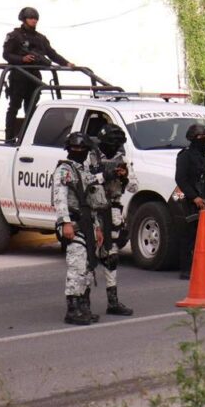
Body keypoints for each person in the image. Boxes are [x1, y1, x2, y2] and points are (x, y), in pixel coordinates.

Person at [52, 133, 105, 325]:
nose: (79, 151)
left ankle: (84, 306)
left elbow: (92, 201)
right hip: (73, 222)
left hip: (87, 223)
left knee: (88, 266)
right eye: (75, 148)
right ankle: (73, 310)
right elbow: (59, 198)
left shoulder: (84, 170)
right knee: (77, 266)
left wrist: (97, 227)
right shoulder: (64, 170)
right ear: (68, 149)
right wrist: (65, 222)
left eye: (82, 148)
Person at [86, 124, 137, 317]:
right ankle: (83, 301)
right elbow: (86, 180)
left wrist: (124, 177)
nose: (116, 147)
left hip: (113, 209)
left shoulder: (122, 159)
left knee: (111, 256)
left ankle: (113, 302)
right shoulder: (91, 157)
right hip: (92, 210)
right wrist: (106, 174)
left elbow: (134, 187)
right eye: (113, 143)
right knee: (88, 257)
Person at [2, 7, 74, 141]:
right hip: (19, 75)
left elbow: (52, 54)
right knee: (14, 107)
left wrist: (66, 63)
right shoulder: (14, 36)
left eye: (35, 18)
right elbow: (6, 55)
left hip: (34, 76)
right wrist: (22, 59)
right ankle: (9, 138)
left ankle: (26, 138)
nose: (34, 21)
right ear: (24, 19)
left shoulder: (40, 38)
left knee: (30, 108)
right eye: (31, 18)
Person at [174, 124, 205, 279]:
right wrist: (194, 197)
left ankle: (203, 268)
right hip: (191, 202)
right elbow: (181, 179)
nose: (204, 140)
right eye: (200, 137)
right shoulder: (185, 156)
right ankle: (187, 269)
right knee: (189, 237)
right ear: (192, 139)